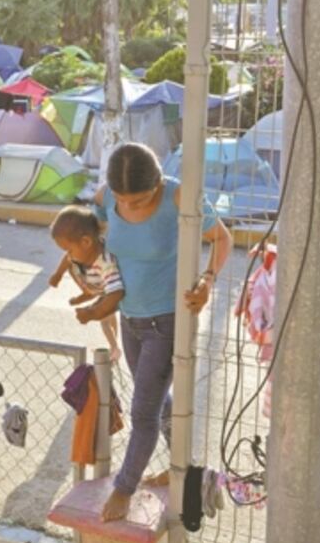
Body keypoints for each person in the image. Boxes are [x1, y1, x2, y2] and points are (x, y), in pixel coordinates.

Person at [93, 143, 232, 522]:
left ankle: (124, 489)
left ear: (156, 185)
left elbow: (222, 239)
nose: (129, 208)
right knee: (154, 398)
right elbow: (91, 236)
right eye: (123, 201)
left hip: (167, 321)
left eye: (138, 201)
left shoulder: (178, 196)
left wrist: (207, 280)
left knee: (144, 411)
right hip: (130, 318)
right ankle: (183, 468)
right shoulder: (106, 197)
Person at [49, 205, 124, 363]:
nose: (68, 254)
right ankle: (87, 293)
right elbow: (66, 260)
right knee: (71, 264)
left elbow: (116, 293)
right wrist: (57, 275)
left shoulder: (105, 262)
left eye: (69, 249)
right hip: (89, 282)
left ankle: (91, 295)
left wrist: (92, 313)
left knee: (105, 314)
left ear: (86, 241)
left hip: (105, 290)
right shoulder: (79, 255)